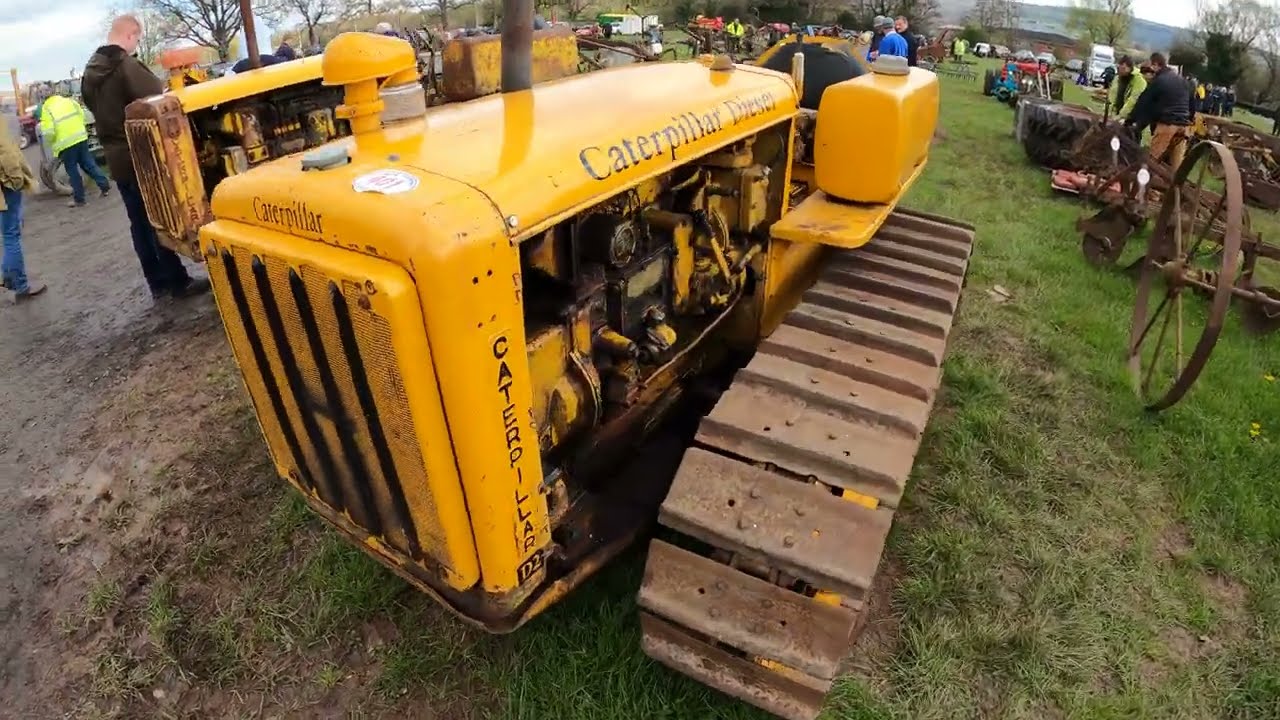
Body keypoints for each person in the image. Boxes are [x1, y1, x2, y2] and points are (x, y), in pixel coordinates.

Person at [82, 14, 209, 302]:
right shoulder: (124, 65)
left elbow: (92, 105)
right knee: (158, 218)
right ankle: (178, 282)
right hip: (140, 154)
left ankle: (157, 282)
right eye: (137, 39)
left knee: (138, 223)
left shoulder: (91, 72)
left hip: (115, 157)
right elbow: (156, 94)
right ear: (131, 35)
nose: (136, 45)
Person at [36, 94, 111, 208]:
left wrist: (52, 143)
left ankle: (80, 200)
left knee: (72, 171)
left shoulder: (47, 108)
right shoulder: (69, 101)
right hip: (80, 137)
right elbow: (82, 115)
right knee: (89, 164)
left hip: (65, 144)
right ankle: (104, 186)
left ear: (43, 99)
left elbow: (49, 132)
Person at [1126, 52, 1193, 169]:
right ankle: (1175, 186)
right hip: (1183, 127)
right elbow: (1192, 104)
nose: (1151, 69)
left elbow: (1144, 103)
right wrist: (1189, 119)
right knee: (1176, 168)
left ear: (1156, 64)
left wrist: (1130, 120)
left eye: (1152, 65)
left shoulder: (1159, 81)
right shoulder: (1182, 80)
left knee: (1152, 161)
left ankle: (1144, 185)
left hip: (1167, 125)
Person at [1, 126, 44, 300]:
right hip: (6, 188)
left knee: (8, 233)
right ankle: (21, 286)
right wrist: (17, 180)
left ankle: (7, 276)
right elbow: (7, 154)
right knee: (12, 235)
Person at [1107, 56, 1147, 122]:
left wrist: (1121, 116)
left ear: (1130, 68)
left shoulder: (1139, 80)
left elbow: (1133, 100)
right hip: (1117, 113)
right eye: (1119, 68)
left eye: (1124, 68)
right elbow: (1112, 96)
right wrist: (1109, 113)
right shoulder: (1117, 78)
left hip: (1132, 116)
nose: (1121, 71)